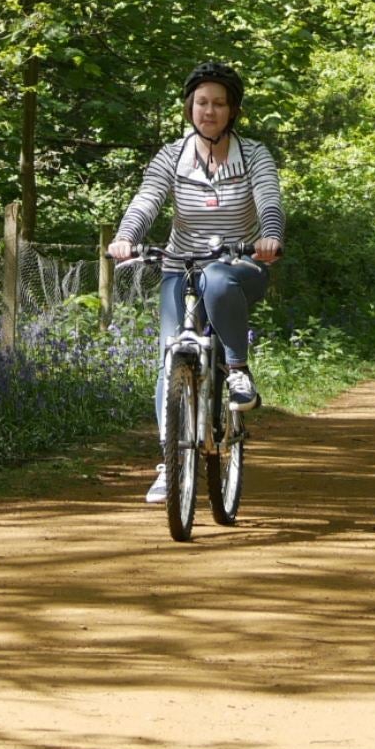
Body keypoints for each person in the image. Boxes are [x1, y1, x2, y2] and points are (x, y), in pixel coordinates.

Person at [109, 62, 285, 504]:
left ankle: (238, 372)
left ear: (233, 111)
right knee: (171, 353)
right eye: (202, 102)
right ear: (190, 108)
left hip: (239, 265)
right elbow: (147, 199)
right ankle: (170, 464)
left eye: (219, 104)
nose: (209, 111)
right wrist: (126, 237)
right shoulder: (172, 156)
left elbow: (269, 199)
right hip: (179, 264)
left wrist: (270, 236)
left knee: (219, 280)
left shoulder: (254, 156)